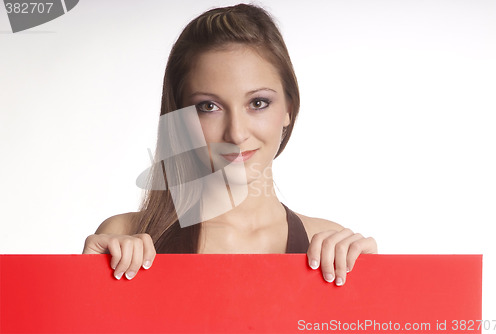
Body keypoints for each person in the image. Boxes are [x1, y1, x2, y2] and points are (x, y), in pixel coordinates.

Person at [83, 3, 377, 286]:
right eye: (209, 106)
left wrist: (377, 287)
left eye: (258, 103)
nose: (236, 134)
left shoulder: (334, 249)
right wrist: (87, 289)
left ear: (288, 107)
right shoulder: (124, 238)